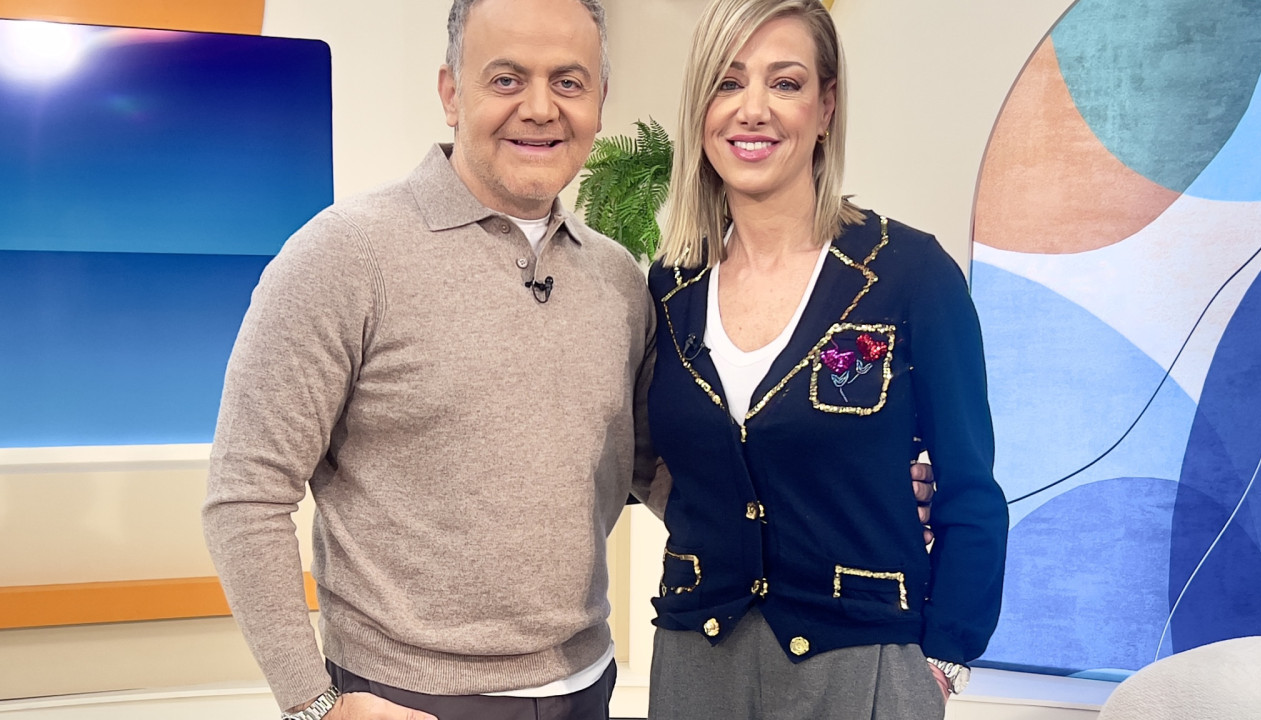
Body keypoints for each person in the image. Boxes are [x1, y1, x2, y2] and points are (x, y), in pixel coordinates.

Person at [202, 1, 656, 719]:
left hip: (586, 684)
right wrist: (315, 705)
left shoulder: (619, 279)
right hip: (403, 697)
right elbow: (245, 494)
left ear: (599, 101)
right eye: (507, 79)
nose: (541, 108)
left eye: (569, 82)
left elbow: (652, 468)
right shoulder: (344, 255)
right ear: (451, 92)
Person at [643, 1, 1009, 719]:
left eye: (785, 83)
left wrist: (941, 663)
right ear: (700, 108)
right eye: (727, 83)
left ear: (826, 105)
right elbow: (654, 463)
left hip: (861, 661)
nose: (753, 109)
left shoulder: (909, 274)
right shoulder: (670, 286)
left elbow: (970, 487)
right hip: (696, 661)